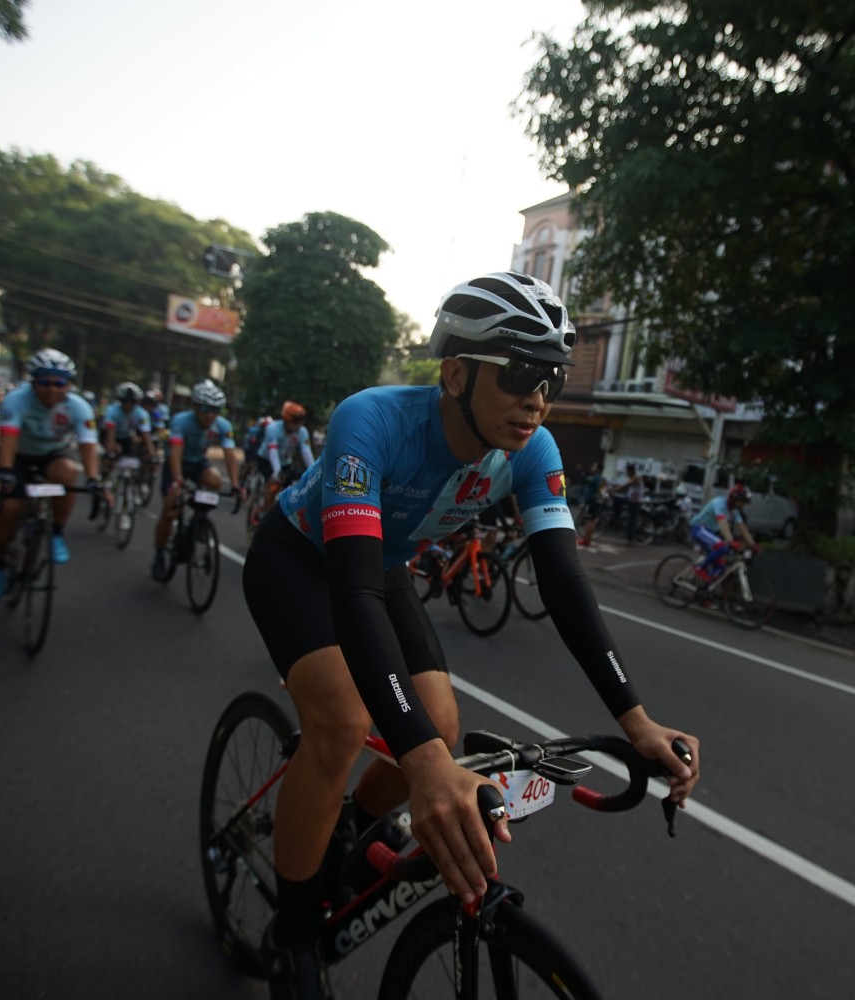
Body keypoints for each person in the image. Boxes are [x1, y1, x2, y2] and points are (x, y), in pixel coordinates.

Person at [241, 270, 700, 999]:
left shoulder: (533, 449)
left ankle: (350, 828)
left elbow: (564, 585)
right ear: (456, 374)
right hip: (301, 558)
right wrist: (424, 764)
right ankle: (292, 936)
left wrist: (635, 720)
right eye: (518, 373)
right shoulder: (371, 419)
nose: (537, 398)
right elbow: (353, 594)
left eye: (551, 377)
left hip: (381, 565)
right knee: (344, 722)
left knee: (442, 725)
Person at [0, 349, 102, 599]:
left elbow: (88, 444)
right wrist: (4, 472)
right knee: (10, 511)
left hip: (52, 455)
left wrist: (93, 479)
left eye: (60, 383)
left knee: (69, 472)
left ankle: (56, 532)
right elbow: (8, 439)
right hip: (19, 455)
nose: (52, 390)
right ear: (33, 381)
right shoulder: (17, 399)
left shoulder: (79, 407)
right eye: (45, 382)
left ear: (69, 384)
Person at [151, 380, 244, 579]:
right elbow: (176, 451)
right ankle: (159, 555)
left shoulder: (223, 425)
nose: (210, 415)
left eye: (215, 410)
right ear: (194, 406)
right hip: (177, 463)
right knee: (169, 512)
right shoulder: (181, 421)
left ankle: (198, 520)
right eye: (204, 409)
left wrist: (236, 484)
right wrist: (178, 481)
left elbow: (230, 455)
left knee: (215, 480)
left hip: (198, 462)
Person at [250, 401, 316, 525]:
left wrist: (314, 471)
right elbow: (273, 452)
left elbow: (306, 452)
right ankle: (263, 512)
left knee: (291, 488)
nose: (298, 426)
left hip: (286, 462)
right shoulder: (273, 428)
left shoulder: (302, 432)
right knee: (273, 485)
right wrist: (276, 472)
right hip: (267, 460)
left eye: (300, 422)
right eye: (295, 422)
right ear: (286, 420)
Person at [690, 483, 757, 580]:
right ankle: (700, 568)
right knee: (722, 547)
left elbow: (742, 527)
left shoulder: (734, 510)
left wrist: (753, 544)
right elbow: (723, 524)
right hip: (699, 528)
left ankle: (704, 585)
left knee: (720, 567)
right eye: (743, 502)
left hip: (710, 532)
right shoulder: (719, 503)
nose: (744, 505)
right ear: (735, 499)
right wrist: (731, 541)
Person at [101, 382, 153, 464]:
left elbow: (146, 434)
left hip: (127, 436)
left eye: (132, 402)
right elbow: (110, 432)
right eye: (125, 401)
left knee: (139, 447)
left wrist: (152, 455)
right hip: (109, 436)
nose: (128, 405)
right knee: (115, 451)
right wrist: (110, 452)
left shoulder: (142, 414)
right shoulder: (112, 411)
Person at [576, 461, 605, 549]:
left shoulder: (596, 478)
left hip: (591, 501)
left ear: (598, 469)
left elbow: (585, 478)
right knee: (590, 520)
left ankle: (586, 540)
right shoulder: (597, 477)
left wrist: (580, 471)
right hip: (592, 500)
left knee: (589, 520)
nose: (592, 467)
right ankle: (587, 539)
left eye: (594, 466)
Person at [614, 461, 644, 542]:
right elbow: (624, 487)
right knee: (617, 500)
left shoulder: (636, 477)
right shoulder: (632, 477)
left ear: (631, 471)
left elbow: (626, 485)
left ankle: (630, 538)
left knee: (632, 519)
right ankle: (617, 519)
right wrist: (614, 488)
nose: (626, 473)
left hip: (635, 500)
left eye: (627, 471)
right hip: (630, 498)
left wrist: (615, 490)